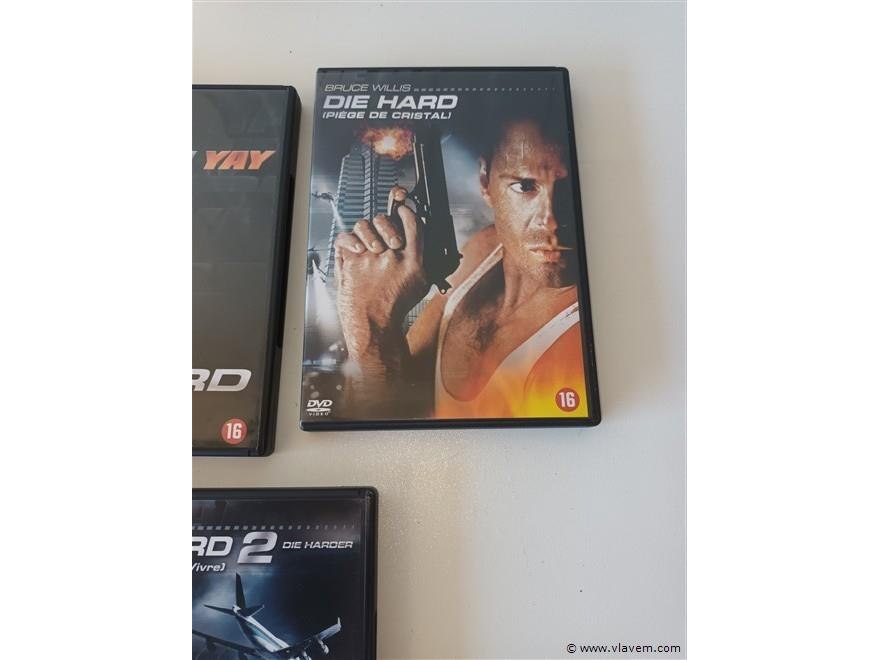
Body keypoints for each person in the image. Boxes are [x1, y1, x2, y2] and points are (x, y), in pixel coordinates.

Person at [333, 113, 588, 419]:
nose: (552, 220)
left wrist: (369, 324)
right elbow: (404, 384)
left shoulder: (574, 347)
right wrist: (373, 288)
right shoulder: (486, 247)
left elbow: (391, 430)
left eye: (570, 188)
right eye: (524, 186)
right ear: (485, 181)